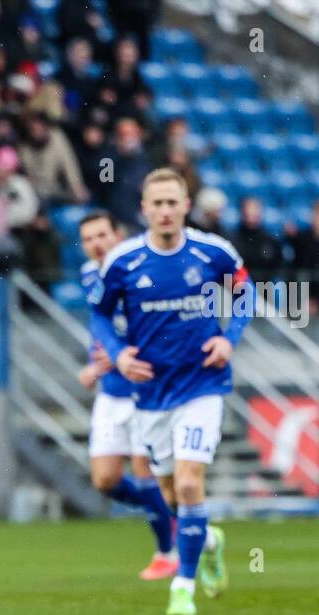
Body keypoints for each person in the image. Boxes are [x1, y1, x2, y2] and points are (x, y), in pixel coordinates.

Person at [89, 168, 254, 615]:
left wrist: (229, 338)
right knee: (169, 493)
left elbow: (245, 292)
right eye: (156, 203)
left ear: (186, 205)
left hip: (202, 384)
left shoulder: (213, 252)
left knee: (187, 481)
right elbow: (100, 315)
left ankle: (183, 586)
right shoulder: (122, 262)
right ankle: (210, 539)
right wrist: (119, 354)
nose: (164, 211)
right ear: (144, 208)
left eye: (172, 202)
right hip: (150, 393)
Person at [76, 210, 177, 580]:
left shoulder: (140, 269)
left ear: (117, 235)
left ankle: (167, 550)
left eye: (102, 235)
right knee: (104, 479)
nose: (96, 244)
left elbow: (156, 322)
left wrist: (125, 355)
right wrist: (96, 365)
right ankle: (171, 515)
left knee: (144, 470)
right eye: (88, 239)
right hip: (110, 393)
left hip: (143, 389)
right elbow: (101, 326)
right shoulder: (89, 275)